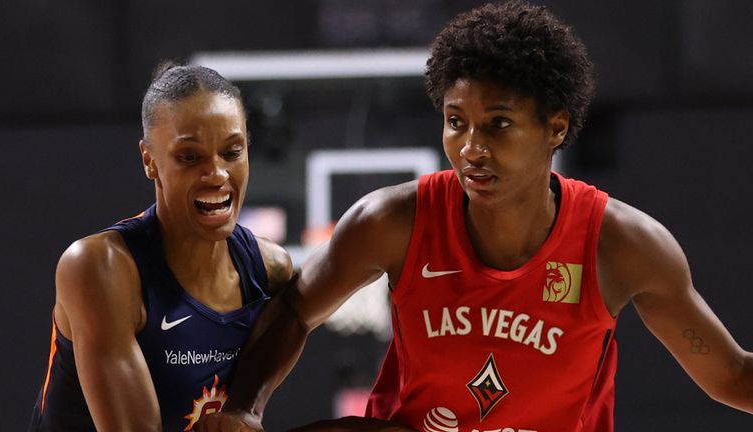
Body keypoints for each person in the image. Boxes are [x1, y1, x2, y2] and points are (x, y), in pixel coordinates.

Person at [197, 1, 753, 431]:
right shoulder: (391, 220)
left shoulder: (622, 245)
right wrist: (245, 406)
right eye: (456, 122)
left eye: (498, 125)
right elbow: (294, 310)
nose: (471, 149)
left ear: (556, 128)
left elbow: (729, 375)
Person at [29, 63, 292, 431]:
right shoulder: (100, 268)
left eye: (232, 152)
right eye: (190, 157)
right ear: (149, 161)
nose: (217, 173)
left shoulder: (270, 270)